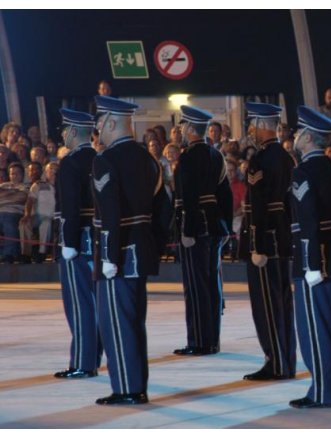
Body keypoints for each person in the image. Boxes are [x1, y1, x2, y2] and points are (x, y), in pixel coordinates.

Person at [91, 95, 172, 405]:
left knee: (116, 323)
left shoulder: (105, 160)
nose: (98, 130)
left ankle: (127, 387)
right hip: (141, 251)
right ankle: (137, 384)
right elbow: (164, 210)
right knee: (135, 322)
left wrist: (110, 256)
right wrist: (154, 245)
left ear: (112, 122)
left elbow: (110, 211)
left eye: (101, 124)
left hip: (118, 254)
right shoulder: (148, 160)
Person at [288, 105, 331, 408]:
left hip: (315, 258)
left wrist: (312, 263)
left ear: (308, 138)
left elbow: (309, 220)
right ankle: (322, 389)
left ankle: (324, 392)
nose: (296, 136)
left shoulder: (303, 171)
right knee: (327, 326)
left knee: (314, 329)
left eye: (300, 132)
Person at [238, 102, 296, 381]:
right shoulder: (287, 157)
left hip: (266, 239)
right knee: (283, 301)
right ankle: (287, 359)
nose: (251, 130)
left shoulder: (260, 160)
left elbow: (258, 206)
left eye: (253, 125)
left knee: (267, 304)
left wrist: (256, 245)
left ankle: (275, 362)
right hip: (282, 236)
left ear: (263, 127)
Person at [173, 105, 232, 356]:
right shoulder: (215, 155)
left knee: (196, 287)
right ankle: (213, 339)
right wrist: (226, 226)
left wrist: (185, 229)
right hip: (216, 224)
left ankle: (199, 341)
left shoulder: (187, 158)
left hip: (196, 227)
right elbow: (226, 195)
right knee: (212, 283)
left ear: (189, 129)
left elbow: (186, 197)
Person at [53, 108, 102, 379]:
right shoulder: (99, 158)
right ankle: (92, 356)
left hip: (77, 239)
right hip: (96, 238)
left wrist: (68, 242)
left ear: (73, 132)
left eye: (64, 130)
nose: (62, 134)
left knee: (79, 303)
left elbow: (70, 207)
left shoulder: (70, 162)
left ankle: (83, 362)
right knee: (93, 301)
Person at [19, 162, 55, 263]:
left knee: (46, 223)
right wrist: (27, 215)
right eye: (50, 170)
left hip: (53, 217)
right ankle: (25, 254)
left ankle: (41, 253)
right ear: (46, 172)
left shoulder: (62, 185)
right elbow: (30, 200)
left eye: (54, 170)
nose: (52, 172)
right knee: (24, 224)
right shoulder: (39, 185)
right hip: (37, 216)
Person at [0, 163, 29, 263]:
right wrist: (13, 193)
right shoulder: (3, 185)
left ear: (22, 174)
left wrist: (4, 196)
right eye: (12, 174)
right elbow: (15, 197)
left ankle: (9, 255)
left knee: (9, 225)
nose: (15, 176)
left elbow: (21, 198)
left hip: (15, 213)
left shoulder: (26, 186)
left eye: (17, 173)